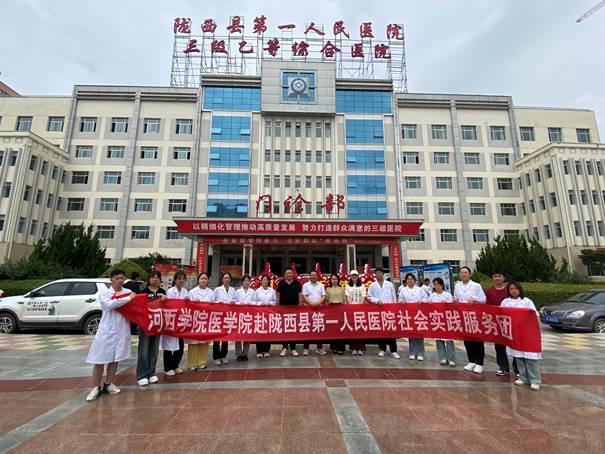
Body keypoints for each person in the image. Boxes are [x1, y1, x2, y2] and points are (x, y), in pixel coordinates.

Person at [85, 268, 135, 401]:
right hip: (107, 330)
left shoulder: (128, 292)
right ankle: (95, 387)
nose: (120, 280)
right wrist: (128, 298)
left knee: (115, 358)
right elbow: (109, 305)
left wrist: (130, 297)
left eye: (122, 278)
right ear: (111, 279)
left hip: (121, 330)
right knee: (99, 359)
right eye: (117, 278)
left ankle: (108, 383)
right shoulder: (105, 294)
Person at [501, 282, 542, 391]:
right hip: (514, 333)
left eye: (516, 289)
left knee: (530, 358)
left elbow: (535, 315)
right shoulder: (505, 302)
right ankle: (523, 377)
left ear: (520, 290)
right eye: (511, 289)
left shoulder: (527, 301)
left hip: (527, 332)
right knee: (518, 357)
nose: (513, 291)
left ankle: (535, 380)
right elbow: (500, 315)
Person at [485, 271, 519, 377]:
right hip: (497, 322)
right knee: (499, 346)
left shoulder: (510, 289)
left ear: (504, 278)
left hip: (512, 323)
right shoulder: (489, 291)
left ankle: (517, 368)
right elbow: (488, 306)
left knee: (515, 345)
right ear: (492, 278)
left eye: (499, 276)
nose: (497, 278)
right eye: (495, 276)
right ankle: (503, 367)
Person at [453, 266, 487, 374]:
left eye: (465, 273)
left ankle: (479, 363)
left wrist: (474, 299)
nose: (463, 274)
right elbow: (455, 297)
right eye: (462, 273)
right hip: (463, 315)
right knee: (467, 339)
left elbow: (483, 299)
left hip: (474, 316)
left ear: (470, 274)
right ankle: (471, 361)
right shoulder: (457, 285)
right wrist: (455, 300)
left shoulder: (476, 286)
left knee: (477, 339)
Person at [136, 270, 166, 386]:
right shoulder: (143, 292)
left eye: (157, 277)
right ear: (149, 279)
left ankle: (151, 373)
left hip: (157, 326)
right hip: (145, 326)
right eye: (153, 277)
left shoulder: (162, 292)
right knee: (143, 350)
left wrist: (165, 299)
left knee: (154, 350)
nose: (155, 279)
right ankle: (142, 375)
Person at [368, 267, 400, 359]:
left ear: (383, 274)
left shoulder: (389, 284)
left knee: (390, 330)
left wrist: (395, 308)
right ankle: (382, 349)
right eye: (377, 273)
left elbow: (394, 296)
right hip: (378, 309)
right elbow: (369, 296)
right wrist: (376, 300)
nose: (378, 274)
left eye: (380, 273)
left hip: (389, 310)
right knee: (381, 330)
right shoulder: (372, 285)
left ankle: (393, 350)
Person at [187, 272, 213, 371]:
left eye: (205, 279)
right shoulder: (192, 292)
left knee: (204, 341)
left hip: (206, 320)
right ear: (198, 280)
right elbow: (187, 304)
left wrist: (213, 303)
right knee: (194, 342)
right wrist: (193, 302)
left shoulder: (210, 292)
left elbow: (215, 305)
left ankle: (202, 362)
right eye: (202, 278)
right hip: (195, 320)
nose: (203, 280)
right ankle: (193, 363)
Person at [163, 271, 188, 376]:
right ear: (175, 280)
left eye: (183, 279)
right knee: (169, 346)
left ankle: (175, 365)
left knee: (180, 346)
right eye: (179, 279)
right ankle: (167, 367)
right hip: (171, 322)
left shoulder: (185, 291)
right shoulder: (170, 291)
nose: (181, 281)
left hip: (181, 322)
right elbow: (169, 305)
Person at [427, 277, 456, 367]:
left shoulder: (447, 295)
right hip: (437, 320)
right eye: (435, 284)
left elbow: (452, 306)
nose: (436, 286)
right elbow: (428, 307)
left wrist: (447, 303)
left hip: (446, 319)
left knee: (449, 340)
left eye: (438, 284)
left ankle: (451, 358)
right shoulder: (432, 296)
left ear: (442, 285)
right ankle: (442, 357)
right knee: (439, 340)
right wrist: (429, 304)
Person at [398, 273, 427, 361]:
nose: (410, 280)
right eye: (408, 279)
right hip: (409, 314)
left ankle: (420, 353)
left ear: (414, 280)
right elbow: (399, 299)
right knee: (411, 333)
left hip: (419, 314)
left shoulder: (420, 289)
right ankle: (412, 352)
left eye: (411, 279)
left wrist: (421, 301)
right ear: (406, 280)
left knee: (419, 333)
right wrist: (402, 301)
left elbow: (426, 298)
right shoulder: (403, 290)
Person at [276, 267, 302, 357]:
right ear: (285, 274)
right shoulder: (281, 283)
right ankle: (284, 347)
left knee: (293, 329)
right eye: (287, 273)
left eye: (291, 273)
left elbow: (300, 295)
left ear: (293, 274)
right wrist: (278, 307)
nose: (289, 274)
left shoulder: (297, 283)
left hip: (294, 309)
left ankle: (293, 348)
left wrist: (300, 305)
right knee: (284, 329)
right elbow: (278, 295)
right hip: (283, 309)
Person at [301, 270, 327, 356]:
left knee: (318, 329)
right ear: (309, 276)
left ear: (317, 276)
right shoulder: (306, 285)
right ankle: (306, 348)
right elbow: (304, 295)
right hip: (308, 310)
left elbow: (323, 295)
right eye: (311, 275)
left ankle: (320, 347)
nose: (313, 276)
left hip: (318, 310)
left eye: (315, 275)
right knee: (307, 328)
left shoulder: (321, 285)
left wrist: (318, 303)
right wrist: (311, 303)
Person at [213, 272, 235, 365]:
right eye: (225, 278)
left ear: (230, 279)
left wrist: (233, 301)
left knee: (226, 337)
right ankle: (216, 357)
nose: (226, 279)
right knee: (217, 337)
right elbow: (212, 301)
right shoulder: (217, 289)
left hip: (228, 316)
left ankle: (223, 356)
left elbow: (235, 299)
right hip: (218, 316)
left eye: (228, 278)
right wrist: (219, 303)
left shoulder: (233, 290)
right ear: (222, 279)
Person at [234, 274, 256, 361]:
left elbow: (256, 302)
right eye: (245, 281)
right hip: (239, 315)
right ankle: (238, 354)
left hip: (249, 316)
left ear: (250, 282)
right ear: (242, 282)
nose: (246, 283)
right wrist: (239, 303)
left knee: (247, 335)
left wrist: (251, 303)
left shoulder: (253, 292)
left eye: (248, 281)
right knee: (238, 335)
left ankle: (245, 354)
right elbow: (233, 302)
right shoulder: (237, 292)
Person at [255, 274, 277, 358]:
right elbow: (254, 301)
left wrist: (270, 303)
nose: (265, 281)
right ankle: (259, 351)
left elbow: (275, 301)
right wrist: (260, 304)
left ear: (269, 281)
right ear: (261, 281)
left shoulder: (272, 291)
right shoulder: (257, 291)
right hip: (259, 313)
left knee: (268, 332)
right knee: (259, 332)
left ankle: (267, 350)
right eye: (263, 280)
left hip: (269, 313)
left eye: (266, 280)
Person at [345, 270, 367, 356]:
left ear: (358, 277)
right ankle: (353, 348)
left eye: (355, 275)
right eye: (352, 275)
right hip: (351, 310)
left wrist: (359, 307)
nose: (354, 277)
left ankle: (360, 348)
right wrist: (352, 307)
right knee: (353, 329)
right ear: (350, 277)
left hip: (360, 310)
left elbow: (363, 296)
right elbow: (347, 296)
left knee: (360, 328)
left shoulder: (362, 286)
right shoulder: (348, 286)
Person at [326, 273, 346, 355]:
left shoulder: (341, 289)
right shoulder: (328, 289)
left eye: (335, 279)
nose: (334, 280)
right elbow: (326, 300)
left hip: (340, 308)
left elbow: (344, 299)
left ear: (338, 280)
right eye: (332, 279)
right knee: (333, 329)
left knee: (341, 328)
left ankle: (340, 348)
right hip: (331, 309)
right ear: (330, 280)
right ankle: (334, 347)